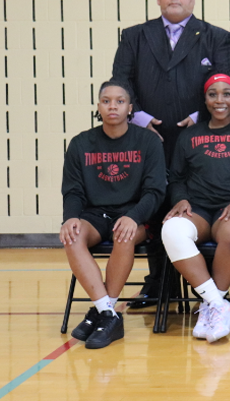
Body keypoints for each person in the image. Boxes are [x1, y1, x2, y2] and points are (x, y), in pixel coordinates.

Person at [112, 0, 230, 307]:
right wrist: (138, 117)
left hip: (201, 138)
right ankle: (157, 283)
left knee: (195, 205)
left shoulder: (217, 37)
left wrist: (200, 116)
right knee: (155, 207)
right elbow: (120, 81)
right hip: (148, 138)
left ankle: (205, 285)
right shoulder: (135, 36)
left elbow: (227, 81)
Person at [161, 71, 230, 343]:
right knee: (172, 230)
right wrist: (180, 199)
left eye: (226, 94)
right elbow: (176, 178)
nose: (219, 100)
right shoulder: (189, 135)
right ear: (205, 99)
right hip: (197, 209)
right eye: (212, 94)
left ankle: (212, 307)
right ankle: (218, 305)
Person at [61, 81, 166, 349]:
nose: (113, 106)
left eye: (120, 101)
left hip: (136, 215)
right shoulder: (81, 143)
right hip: (95, 215)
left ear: (130, 108)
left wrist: (133, 216)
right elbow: (73, 190)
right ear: (98, 106)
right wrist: (71, 217)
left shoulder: (148, 141)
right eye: (106, 100)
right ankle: (107, 313)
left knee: (124, 234)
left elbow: (155, 191)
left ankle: (99, 313)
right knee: (72, 236)